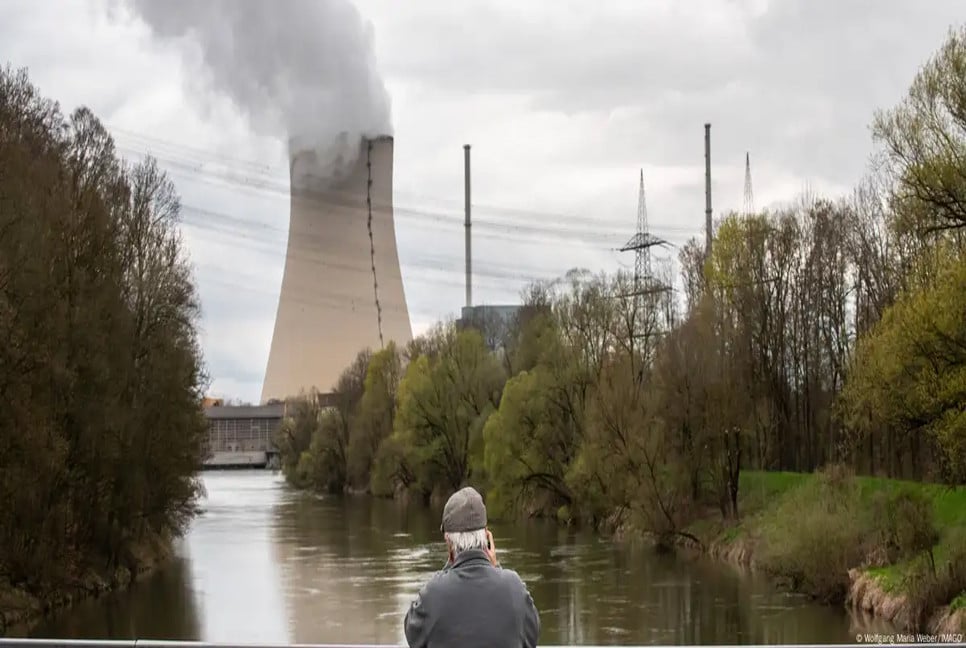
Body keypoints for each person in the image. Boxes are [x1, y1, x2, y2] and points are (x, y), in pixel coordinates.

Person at [403, 486, 540, 648]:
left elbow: (412, 635)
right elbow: (532, 635)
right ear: (487, 536)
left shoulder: (433, 593)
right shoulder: (514, 588)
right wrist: (495, 567)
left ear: (448, 542)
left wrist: (450, 565)